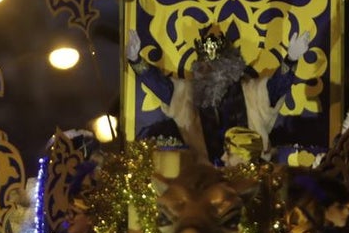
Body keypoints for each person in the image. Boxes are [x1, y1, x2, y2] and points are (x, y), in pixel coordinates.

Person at [127, 26, 310, 165]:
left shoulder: (252, 92)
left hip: (252, 174)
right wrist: (135, 60)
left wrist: (291, 59)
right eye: (203, 68)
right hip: (207, 183)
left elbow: (276, 86)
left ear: (228, 68)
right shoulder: (187, 95)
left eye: (214, 68)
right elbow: (161, 86)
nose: (207, 73)